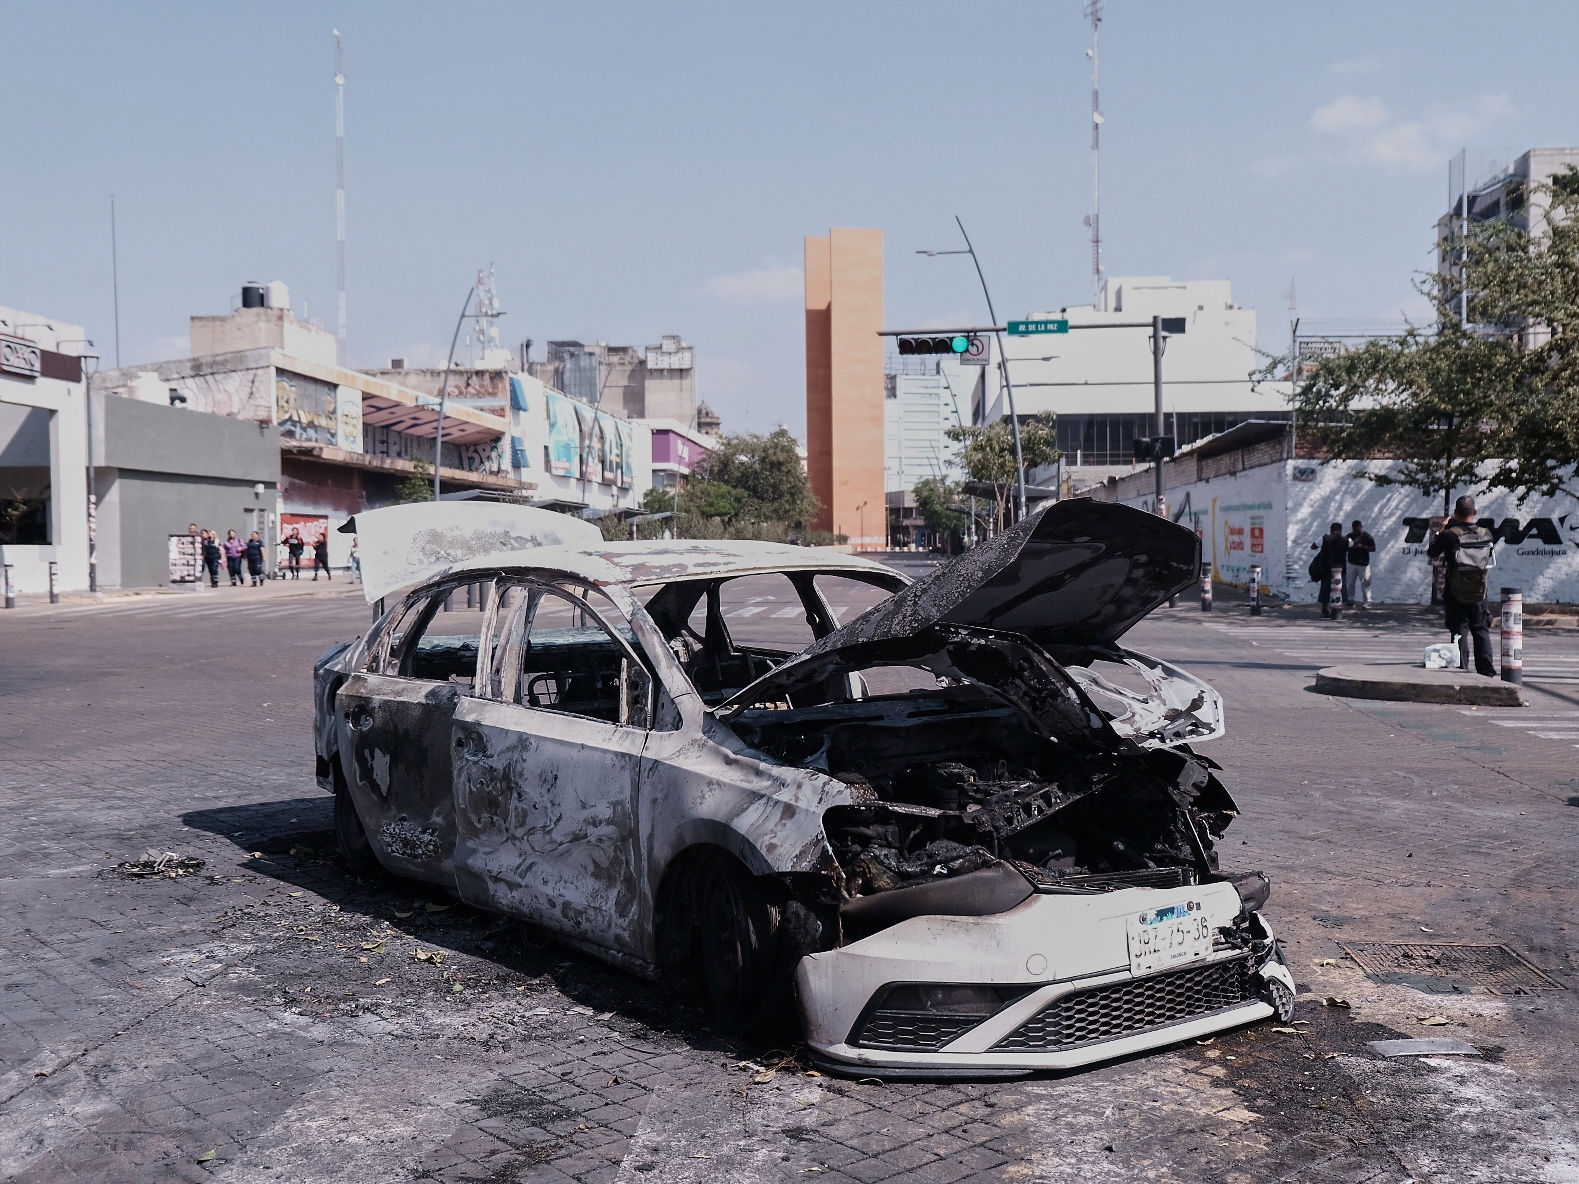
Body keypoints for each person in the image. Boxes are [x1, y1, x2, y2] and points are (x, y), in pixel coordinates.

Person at [1428, 494, 1497, 676]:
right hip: (1479, 591)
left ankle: (1462, 669)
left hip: (1455, 590)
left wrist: (1440, 531)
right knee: (1480, 629)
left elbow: (1432, 552)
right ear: (1475, 512)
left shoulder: (1449, 535)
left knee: (1459, 631)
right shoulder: (1487, 534)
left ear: (1456, 513)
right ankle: (1487, 672)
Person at [1313, 522, 1348, 618]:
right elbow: (1352, 545)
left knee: (1325, 589)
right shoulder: (1346, 540)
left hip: (1327, 569)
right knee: (1341, 589)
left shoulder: (1324, 539)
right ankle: (1338, 610)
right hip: (1341, 569)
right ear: (1340, 530)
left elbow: (1313, 546)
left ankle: (1324, 610)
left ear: (1331, 530)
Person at [1345, 519, 1376, 606]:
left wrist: (1363, 547)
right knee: (1350, 583)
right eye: (1354, 530)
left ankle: (1367, 601)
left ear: (1361, 527)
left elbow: (1373, 548)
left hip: (1364, 564)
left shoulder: (1367, 537)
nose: (1356, 532)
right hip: (1351, 562)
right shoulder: (1349, 536)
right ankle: (1350, 600)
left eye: (1358, 529)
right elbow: (1345, 546)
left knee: (1365, 583)